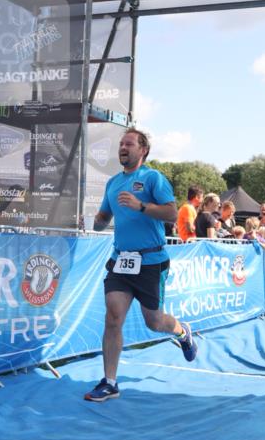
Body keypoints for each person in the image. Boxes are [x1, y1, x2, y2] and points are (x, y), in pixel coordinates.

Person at [84, 129, 197, 402]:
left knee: (155, 322)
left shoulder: (153, 178)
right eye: (121, 143)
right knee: (113, 317)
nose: (123, 147)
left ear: (143, 150)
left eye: (129, 144)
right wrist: (93, 222)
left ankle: (183, 332)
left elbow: (171, 213)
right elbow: (102, 218)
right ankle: (110, 382)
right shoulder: (112, 183)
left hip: (150, 261)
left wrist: (141, 206)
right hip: (121, 259)